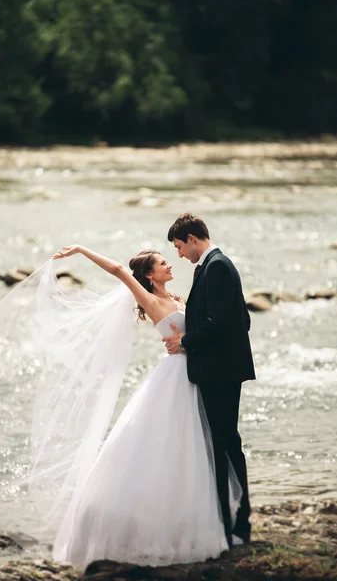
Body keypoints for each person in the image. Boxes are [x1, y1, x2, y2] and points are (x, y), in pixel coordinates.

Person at [47, 243, 241, 569]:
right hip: (176, 377)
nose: (169, 265)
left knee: (194, 450)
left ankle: (197, 519)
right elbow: (119, 270)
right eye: (163, 263)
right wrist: (81, 250)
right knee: (170, 448)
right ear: (149, 275)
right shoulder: (149, 299)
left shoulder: (177, 298)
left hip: (196, 375)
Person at [163, 213, 255, 547]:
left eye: (178, 246)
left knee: (225, 444)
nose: (179, 255)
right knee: (222, 443)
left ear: (191, 238)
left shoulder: (216, 265)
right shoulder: (215, 264)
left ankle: (236, 521)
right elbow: (241, 318)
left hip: (221, 372)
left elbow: (219, 321)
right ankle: (227, 517)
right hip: (222, 368)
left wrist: (184, 342)